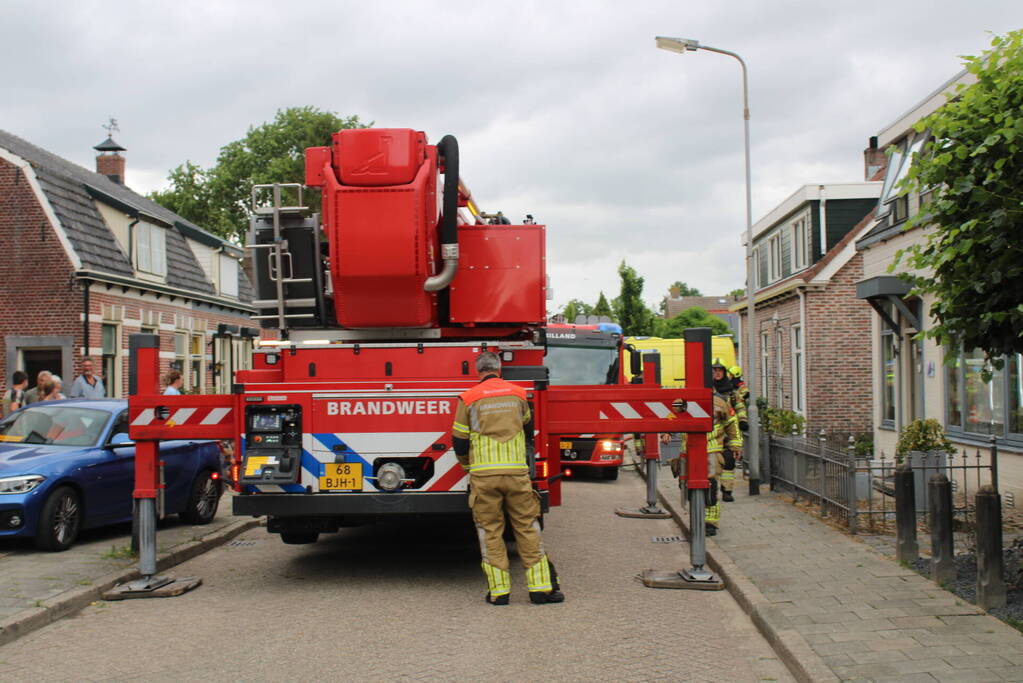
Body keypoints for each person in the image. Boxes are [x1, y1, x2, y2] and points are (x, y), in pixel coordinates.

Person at [451, 351, 563, 606]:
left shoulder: (468, 399)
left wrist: (469, 466)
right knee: (527, 527)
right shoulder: (518, 394)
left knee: (490, 531)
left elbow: (459, 440)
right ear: (499, 369)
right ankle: (541, 590)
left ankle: (499, 592)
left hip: (484, 476)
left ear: (477, 371)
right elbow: (527, 429)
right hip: (516, 474)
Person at [680, 391, 743, 535]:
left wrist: (735, 446)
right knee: (690, 487)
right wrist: (667, 432)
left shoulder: (720, 402)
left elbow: (731, 423)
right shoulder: (684, 400)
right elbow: (672, 418)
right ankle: (697, 518)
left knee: (710, 487)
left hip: (711, 451)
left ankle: (710, 523)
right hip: (689, 451)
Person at [711, 359, 742, 502]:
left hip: (729, 429)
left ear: (724, 372)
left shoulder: (731, 391)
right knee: (713, 462)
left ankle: (727, 490)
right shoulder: (708, 388)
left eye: (720, 371)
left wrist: (743, 421)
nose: (717, 373)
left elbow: (739, 408)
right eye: (714, 371)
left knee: (729, 460)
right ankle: (713, 487)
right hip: (713, 434)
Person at [729, 365, 750, 432]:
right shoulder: (730, 384)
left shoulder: (740, 385)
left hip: (738, 410)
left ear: (735, 375)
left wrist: (738, 398)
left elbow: (746, 393)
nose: (729, 376)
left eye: (731, 375)